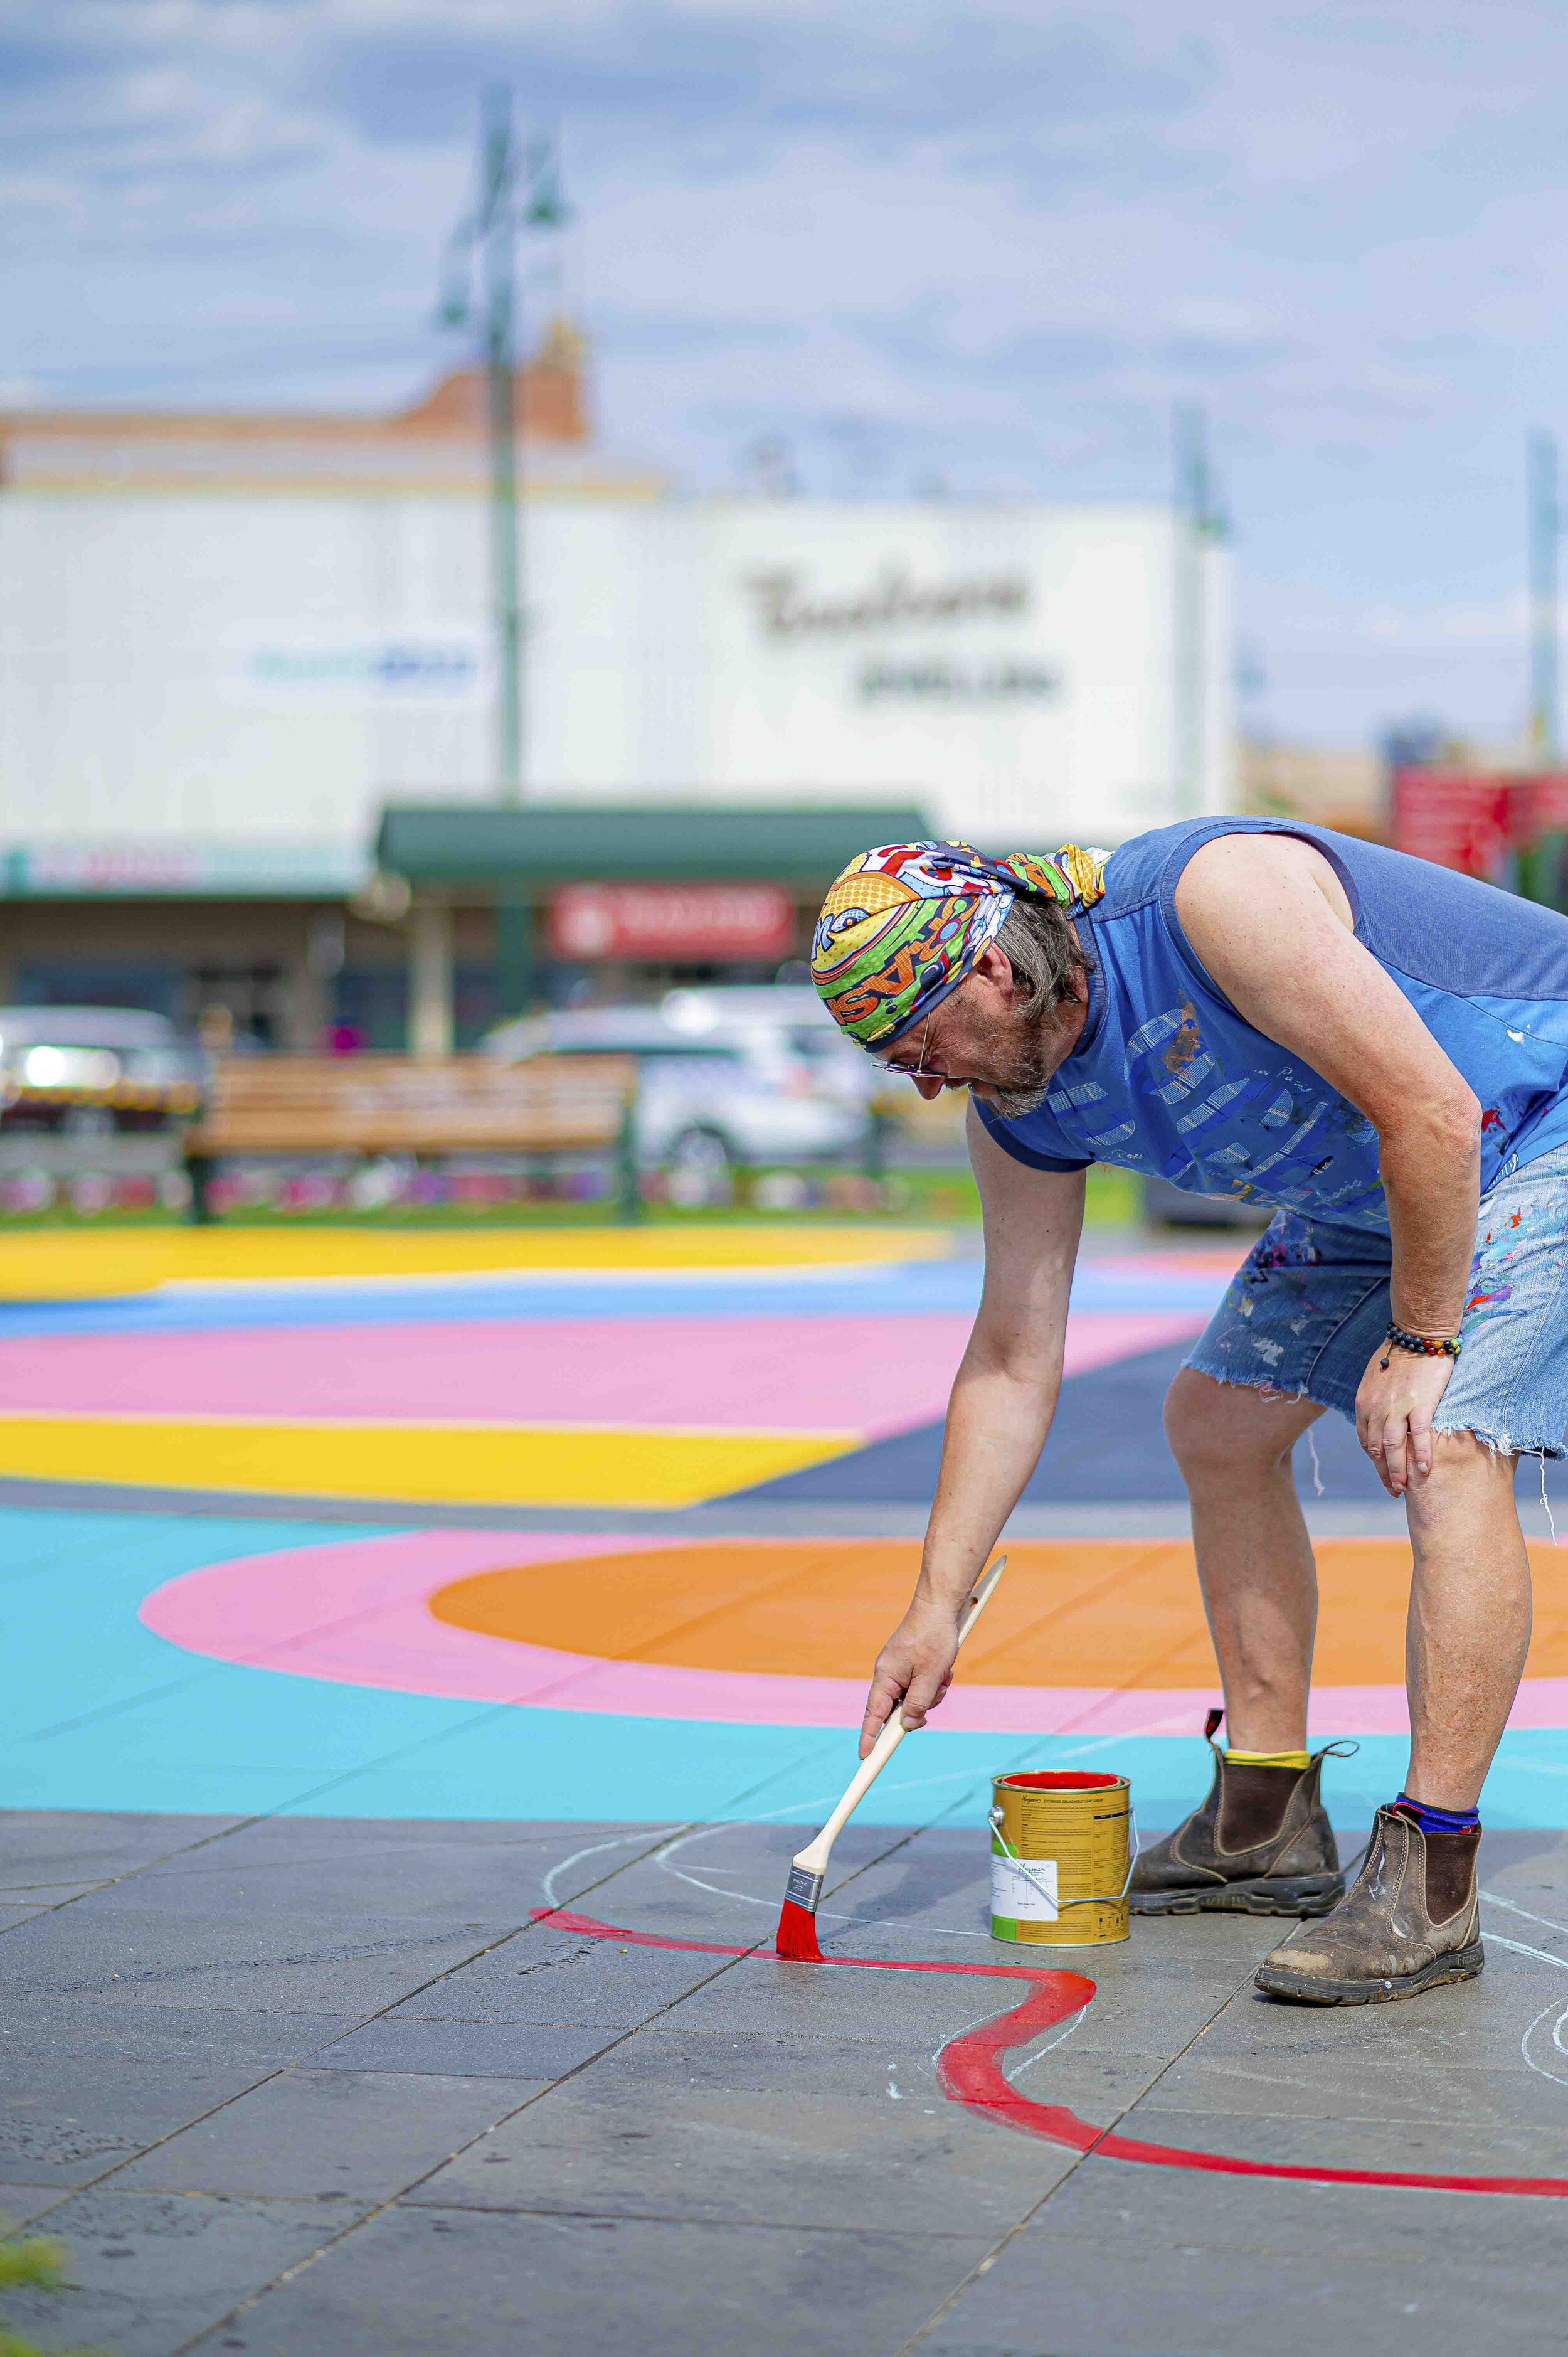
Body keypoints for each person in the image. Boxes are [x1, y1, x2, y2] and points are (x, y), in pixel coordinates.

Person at [810, 821, 1568, 2004]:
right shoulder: (1022, 1107)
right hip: (1383, 1176)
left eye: (918, 1042)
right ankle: (1264, 1814)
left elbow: (1431, 1110)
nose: (920, 1078)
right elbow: (1013, 1355)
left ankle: (1433, 1877)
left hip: (1527, 1119)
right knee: (1216, 1423)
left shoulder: (1217, 903)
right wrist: (932, 1607)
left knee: (1447, 1436)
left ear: (995, 971)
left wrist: (1424, 1343)